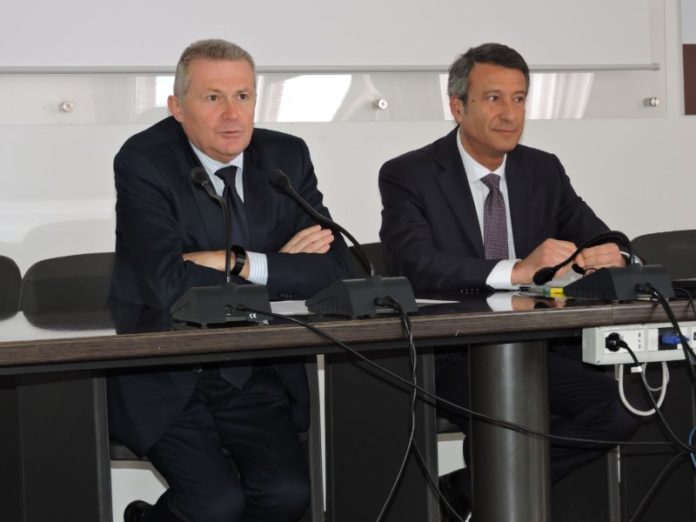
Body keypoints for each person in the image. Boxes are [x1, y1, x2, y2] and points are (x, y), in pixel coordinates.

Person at [378, 42, 639, 517]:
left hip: (541, 347)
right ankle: (487, 487)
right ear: (458, 106)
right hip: (456, 353)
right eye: (493, 98)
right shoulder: (408, 174)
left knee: (620, 409)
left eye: (519, 99)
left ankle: (470, 487)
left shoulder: (543, 169)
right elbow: (414, 263)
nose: (509, 114)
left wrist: (616, 255)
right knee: (509, 414)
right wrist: (516, 271)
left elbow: (600, 235)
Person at [108, 39, 350, 522]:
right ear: (177, 107)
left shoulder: (285, 157)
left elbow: (334, 270)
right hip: (167, 372)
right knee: (214, 506)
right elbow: (168, 284)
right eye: (212, 97)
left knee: (286, 496)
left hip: (251, 367)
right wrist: (278, 263)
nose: (231, 114)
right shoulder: (144, 161)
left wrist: (236, 261)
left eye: (243, 96)